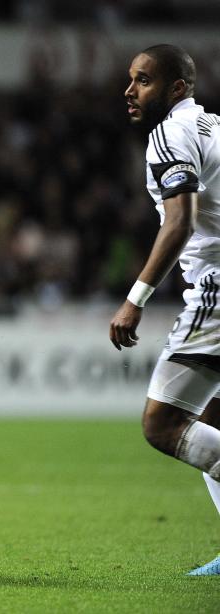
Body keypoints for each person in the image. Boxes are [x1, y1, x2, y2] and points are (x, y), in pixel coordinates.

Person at [109, 44, 220, 576]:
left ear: (177, 88)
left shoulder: (168, 135)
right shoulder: (212, 126)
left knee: (163, 425)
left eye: (144, 81)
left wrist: (135, 301)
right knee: (210, 416)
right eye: (131, 80)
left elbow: (178, 222)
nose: (130, 91)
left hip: (217, 290)